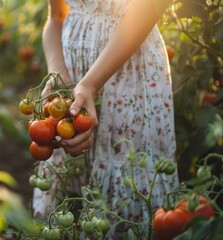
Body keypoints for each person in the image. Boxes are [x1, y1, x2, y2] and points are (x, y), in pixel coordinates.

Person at [33, 0, 179, 238]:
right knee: (72, 179)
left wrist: (90, 84)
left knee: (127, 166)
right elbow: (56, 17)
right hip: (74, 73)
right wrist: (59, 72)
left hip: (129, 73)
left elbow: (149, 8)